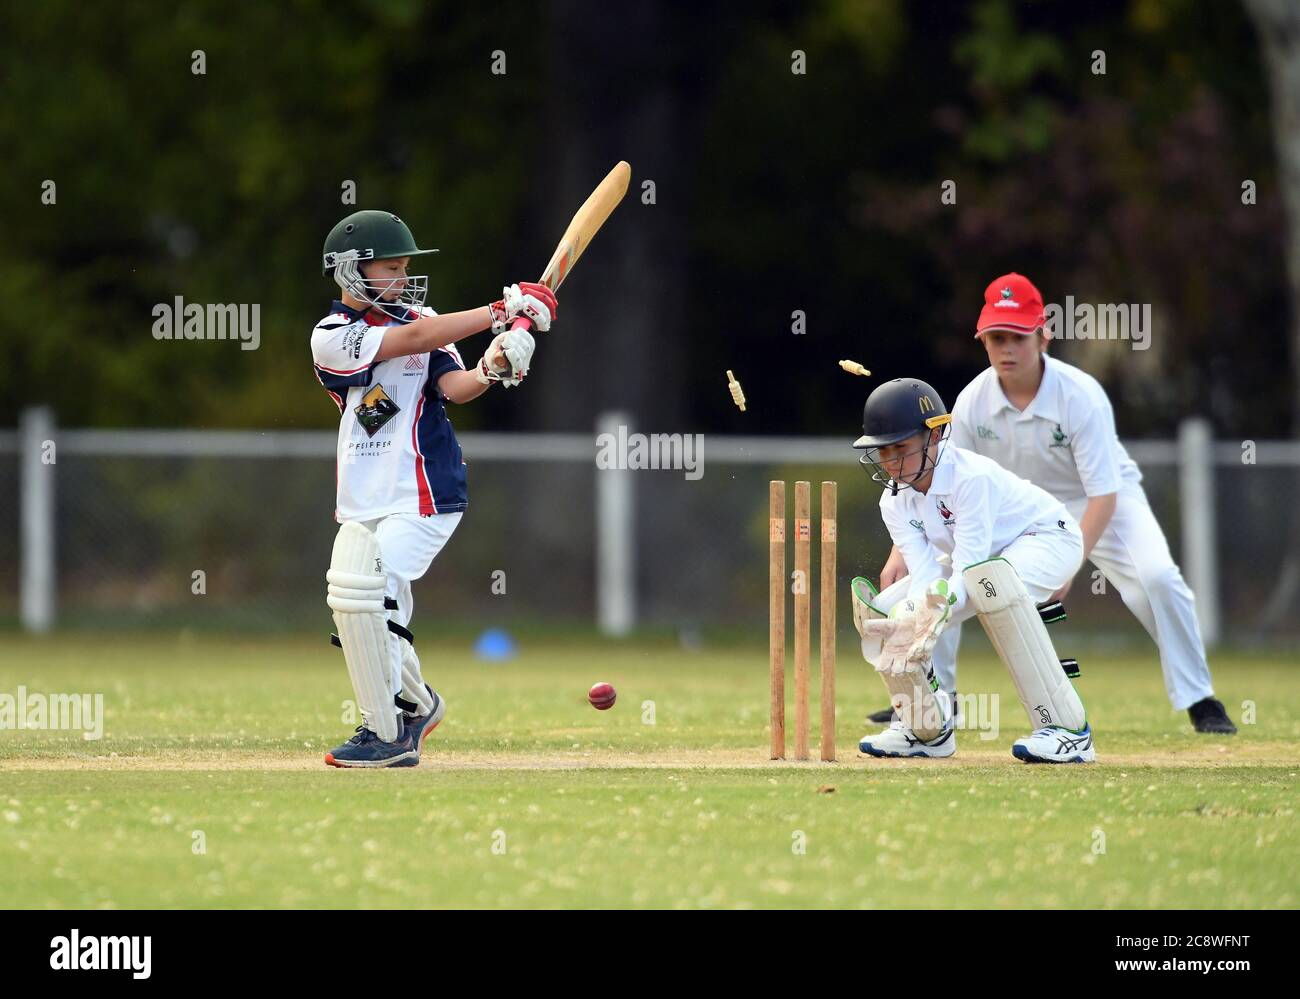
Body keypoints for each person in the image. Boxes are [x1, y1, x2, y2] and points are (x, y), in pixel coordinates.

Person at [867, 273, 1235, 735]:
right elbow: (935, 480)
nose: (1007, 349)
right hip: (1014, 507)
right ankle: (937, 700)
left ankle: (1199, 698)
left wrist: (1069, 564)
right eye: (996, 337)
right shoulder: (972, 402)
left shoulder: (1081, 396)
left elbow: (1103, 492)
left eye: (1018, 337)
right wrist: (901, 550)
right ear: (982, 341)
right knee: (941, 580)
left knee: (1157, 578)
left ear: (1044, 335)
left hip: (1098, 499)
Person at [312, 210, 557, 767]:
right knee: (355, 601)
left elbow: (457, 385)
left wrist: (496, 364)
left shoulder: (423, 321)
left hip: (427, 494)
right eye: (391, 268)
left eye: (405, 267)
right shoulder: (330, 338)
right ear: (351, 270)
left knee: (373, 591)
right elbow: (417, 337)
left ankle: (389, 733)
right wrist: (501, 311)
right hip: (365, 497)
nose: (403, 277)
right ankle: (418, 704)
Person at [851, 377, 1096, 763]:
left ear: (935, 436)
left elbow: (969, 565)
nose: (892, 462)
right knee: (888, 610)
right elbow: (928, 573)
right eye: (884, 451)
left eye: (902, 447)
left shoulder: (971, 478)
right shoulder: (893, 502)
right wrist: (913, 614)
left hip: (1048, 538)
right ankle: (925, 730)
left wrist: (935, 608)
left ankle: (1068, 729)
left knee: (991, 585)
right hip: (986, 561)